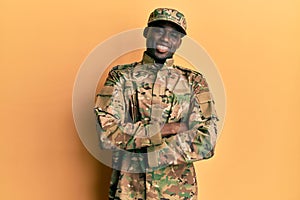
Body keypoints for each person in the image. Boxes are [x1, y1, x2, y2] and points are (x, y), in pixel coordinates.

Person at [94, 8, 219, 200]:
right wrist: (167, 128)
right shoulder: (121, 77)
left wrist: (149, 154)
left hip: (177, 193)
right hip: (129, 191)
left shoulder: (194, 81)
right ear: (147, 32)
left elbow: (207, 140)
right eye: (159, 30)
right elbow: (107, 134)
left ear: (179, 42)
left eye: (174, 34)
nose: (165, 38)